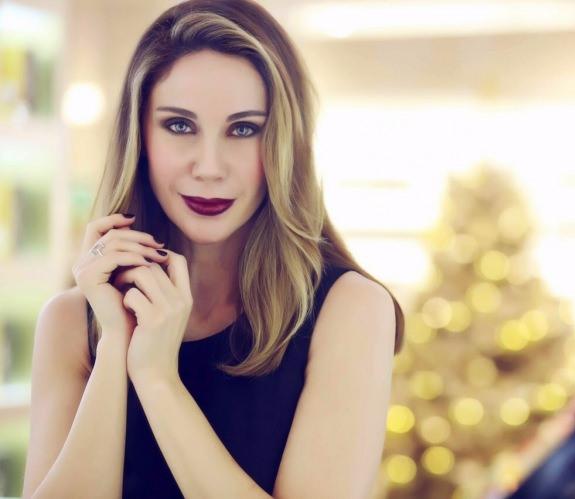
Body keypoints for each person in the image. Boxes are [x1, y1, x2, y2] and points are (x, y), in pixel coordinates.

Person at [21, 1, 405, 497]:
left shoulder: (350, 309)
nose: (209, 167)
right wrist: (116, 344)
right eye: (180, 126)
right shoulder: (72, 320)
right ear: (140, 136)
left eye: (243, 129)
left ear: (283, 142)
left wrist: (158, 379)